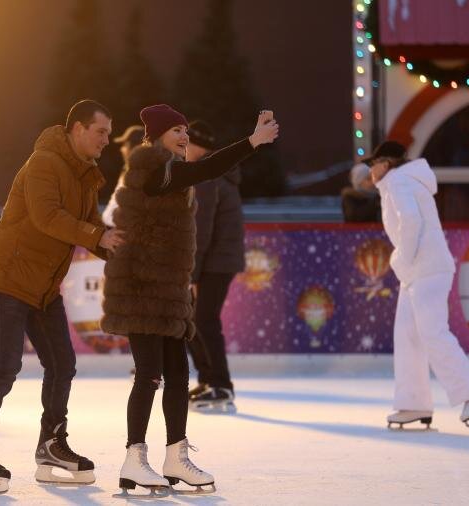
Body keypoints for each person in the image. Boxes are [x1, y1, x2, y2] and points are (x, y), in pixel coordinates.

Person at [102, 104, 279, 495]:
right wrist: (252, 141)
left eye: (185, 130)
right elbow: (204, 169)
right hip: (142, 289)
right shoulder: (152, 168)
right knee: (149, 374)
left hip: (167, 289)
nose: (184, 137)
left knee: (179, 374)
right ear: (156, 137)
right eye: (176, 131)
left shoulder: (171, 172)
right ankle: (134, 458)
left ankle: (175, 457)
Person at [0, 100, 124, 494]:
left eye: (109, 134)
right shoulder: (44, 163)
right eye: (101, 132)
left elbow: (92, 226)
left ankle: (51, 445)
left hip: (44, 287)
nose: (106, 141)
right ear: (78, 129)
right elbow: (48, 217)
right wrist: (98, 237)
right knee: (6, 364)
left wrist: (116, 246)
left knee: (63, 363)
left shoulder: (86, 175)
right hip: (10, 280)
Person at [367, 140, 469, 430]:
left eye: (373, 164)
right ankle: (413, 403)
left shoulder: (398, 181)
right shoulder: (400, 182)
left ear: (386, 164)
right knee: (408, 335)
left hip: (425, 269)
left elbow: (411, 221)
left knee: (432, 332)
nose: (370, 171)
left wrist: (401, 259)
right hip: (419, 271)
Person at [184, 120, 244, 412]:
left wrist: (192, 274)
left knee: (204, 320)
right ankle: (210, 380)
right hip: (218, 260)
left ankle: (221, 385)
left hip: (215, 262)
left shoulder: (208, 176)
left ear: (198, 145)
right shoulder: (214, 172)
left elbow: (202, 229)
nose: (182, 148)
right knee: (196, 321)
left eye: (186, 142)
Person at [101, 125, 144, 227]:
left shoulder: (137, 173)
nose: (122, 149)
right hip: (113, 228)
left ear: (131, 146)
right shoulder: (129, 169)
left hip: (119, 232)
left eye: (124, 145)